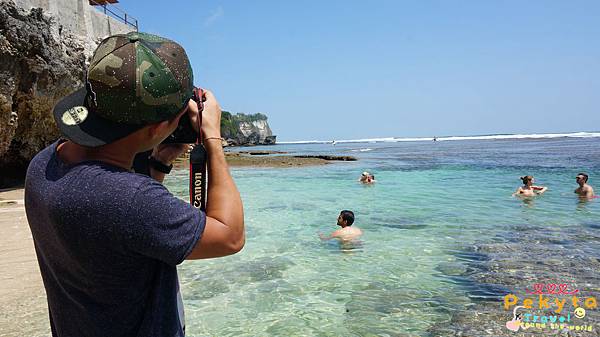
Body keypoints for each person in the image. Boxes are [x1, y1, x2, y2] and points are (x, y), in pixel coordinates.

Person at [24, 32, 244, 337]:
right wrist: (213, 140)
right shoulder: (130, 200)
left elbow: (121, 229)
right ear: (157, 128)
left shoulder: (44, 165)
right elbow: (230, 237)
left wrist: (158, 162)